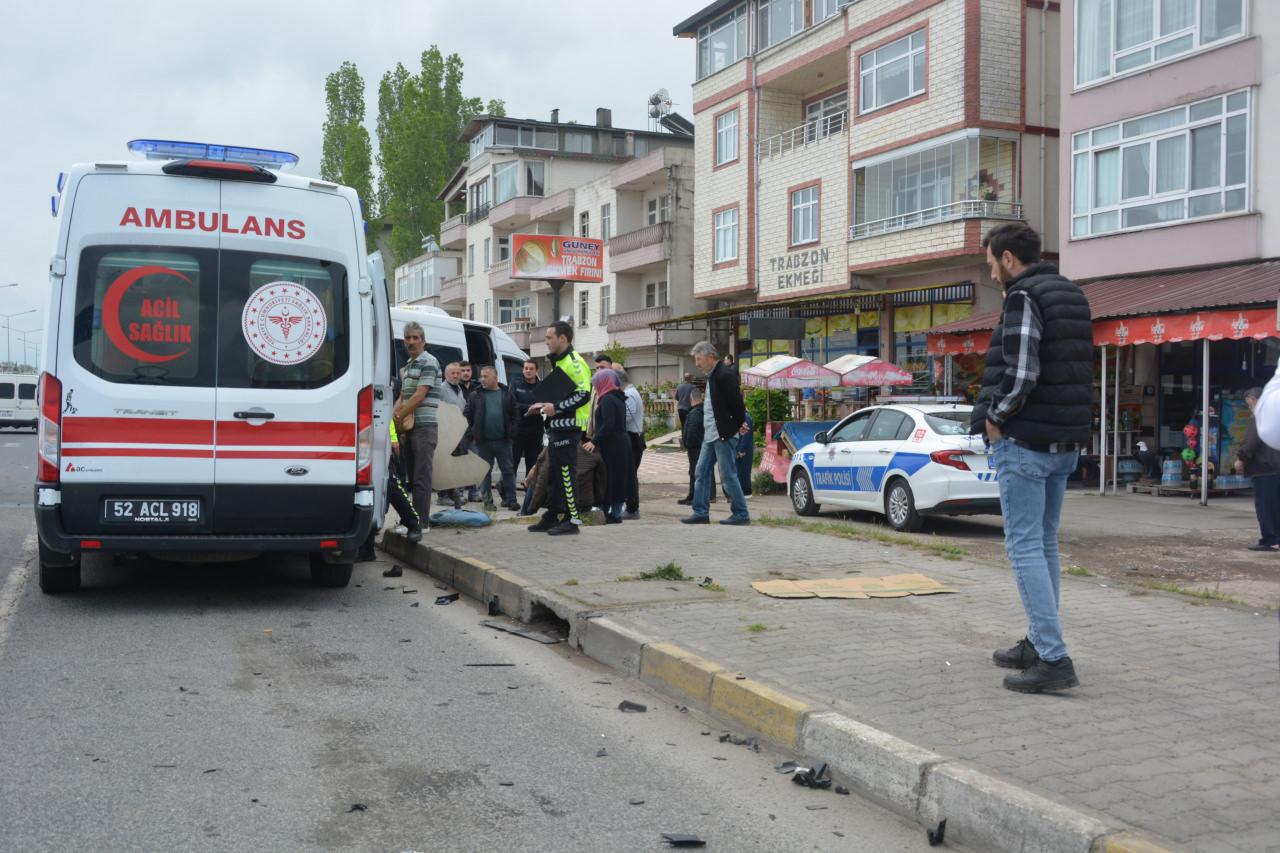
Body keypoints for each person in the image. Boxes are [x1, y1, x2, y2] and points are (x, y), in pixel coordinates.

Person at [970, 222, 1092, 694]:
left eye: (991, 265)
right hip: (1063, 442)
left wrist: (996, 417)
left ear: (1007, 258)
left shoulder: (1023, 296)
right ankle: (1041, 642)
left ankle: (1054, 658)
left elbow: (1022, 373)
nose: (993, 276)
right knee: (1043, 546)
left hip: (1025, 443)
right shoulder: (1071, 294)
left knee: (1024, 548)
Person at [527, 321, 592, 536]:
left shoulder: (574, 362)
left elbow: (584, 394)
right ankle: (553, 514)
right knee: (554, 473)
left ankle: (572, 520)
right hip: (557, 426)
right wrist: (543, 406)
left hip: (569, 427)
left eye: (549, 338)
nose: (546, 342)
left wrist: (556, 407)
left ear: (562, 339)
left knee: (566, 473)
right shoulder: (560, 362)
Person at [682, 342, 750, 526]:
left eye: (698, 359)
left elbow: (737, 403)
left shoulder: (724, 375)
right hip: (711, 434)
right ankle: (700, 512)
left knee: (727, 475)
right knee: (701, 472)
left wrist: (738, 424)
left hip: (723, 434)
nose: (697, 364)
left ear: (710, 357)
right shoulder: (712, 376)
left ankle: (741, 514)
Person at [395, 321, 442, 525]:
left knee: (421, 479)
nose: (411, 342)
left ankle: (421, 523)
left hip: (424, 428)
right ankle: (412, 521)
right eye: (408, 338)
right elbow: (403, 397)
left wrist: (397, 419)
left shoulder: (429, 362)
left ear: (423, 341)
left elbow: (419, 396)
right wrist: (393, 421)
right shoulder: (407, 366)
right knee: (412, 479)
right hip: (410, 429)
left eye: (416, 338)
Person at [462, 365, 520, 512]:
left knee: (508, 471)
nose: (482, 379)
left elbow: (515, 415)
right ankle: (488, 502)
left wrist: (512, 432)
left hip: (503, 441)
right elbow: (466, 415)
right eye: (481, 376)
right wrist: (473, 433)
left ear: (495, 377)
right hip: (483, 442)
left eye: (485, 376)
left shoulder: (507, 394)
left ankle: (511, 501)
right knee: (484, 473)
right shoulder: (475, 395)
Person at [1235, 387, 1280, 551]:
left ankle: (1270, 539)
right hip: (1277, 467)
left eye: (1249, 404)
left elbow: (1251, 441)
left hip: (1264, 467)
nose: (1249, 407)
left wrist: (1241, 458)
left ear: (1255, 400)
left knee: (1265, 506)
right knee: (1276, 505)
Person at [586, 369, 633, 524]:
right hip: (621, 443)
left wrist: (594, 441)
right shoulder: (618, 397)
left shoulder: (607, 400)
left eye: (596, 384)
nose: (595, 388)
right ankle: (615, 513)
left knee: (609, 478)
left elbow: (608, 424)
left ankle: (609, 513)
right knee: (618, 478)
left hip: (612, 445)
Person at [522, 441, 607, 517]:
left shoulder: (554, 446)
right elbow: (600, 484)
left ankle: (524, 512)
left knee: (535, 477)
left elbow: (542, 480)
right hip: (584, 504)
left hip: (559, 504)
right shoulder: (595, 453)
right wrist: (595, 502)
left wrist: (533, 507)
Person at [617, 367, 645, 519]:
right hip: (634, 437)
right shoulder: (631, 393)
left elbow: (626, 417)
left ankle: (632, 508)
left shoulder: (629, 394)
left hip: (633, 438)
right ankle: (630, 506)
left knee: (630, 476)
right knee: (629, 474)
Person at [678, 388, 715, 505]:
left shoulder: (695, 413)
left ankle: (699, 496)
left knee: (696, 472)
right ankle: (693, 495)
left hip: (696, 447)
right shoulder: (702, 411)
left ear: (691, 398)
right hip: (700, 445)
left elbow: (692, 431)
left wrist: (688, 444)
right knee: (697, 471)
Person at [511, 359, 545, 480]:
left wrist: (540, 408)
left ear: (537, 370)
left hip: (536, 429)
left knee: (532, 462)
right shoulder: (516, 383)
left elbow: (547, 404)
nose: (528, 371)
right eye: (526, 368)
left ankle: (529, 491)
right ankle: (508, 493)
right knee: (513, 461)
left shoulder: (542, 386)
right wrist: (529, 408)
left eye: (531, 369)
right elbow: (512, 404)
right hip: (518, 428)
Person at [735, 410, 755, 498]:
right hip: (742, 448)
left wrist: (741, 450)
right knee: (741, 471)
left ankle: (745, 491)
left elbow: (746, 435)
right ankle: (743, 491)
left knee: (743, 471)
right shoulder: (744, 416)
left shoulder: (745, 417)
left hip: (743, 449)